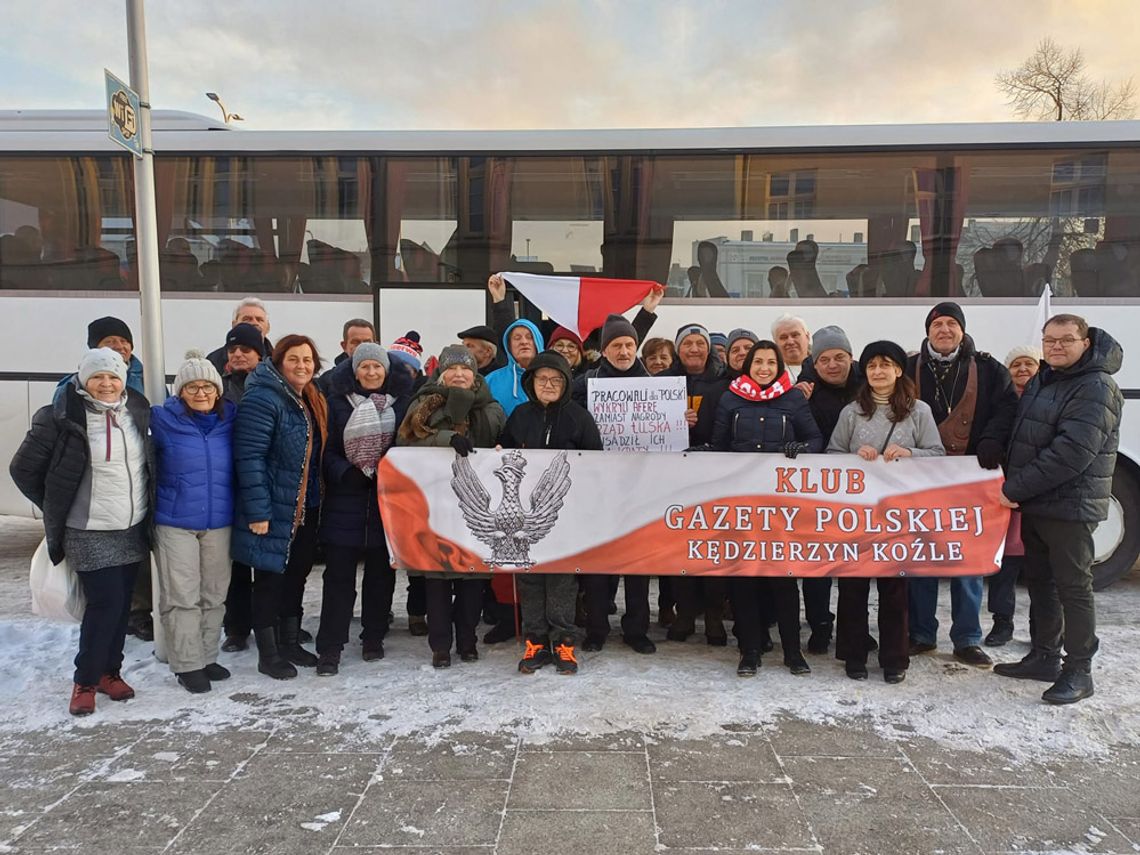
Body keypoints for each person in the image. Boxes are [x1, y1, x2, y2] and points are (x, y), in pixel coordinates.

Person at [10, 348, 153, 716]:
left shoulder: (134, 410)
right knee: (104, 605)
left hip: (130, 526)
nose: (106, 384)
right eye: (98, 376)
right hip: (87, 530)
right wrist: (56, 505)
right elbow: (23, 469)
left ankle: (111, 672)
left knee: (122, 606)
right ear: (83, 379)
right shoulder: (59, 417)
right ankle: (85, 680)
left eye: (113, 377)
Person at [995, 315, 1123, 704]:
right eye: (1049, 340)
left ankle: (1079, 669)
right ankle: (1045, 655)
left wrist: (1014, 487)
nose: (1056, 346)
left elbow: (1071, 454)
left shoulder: (1096, 386)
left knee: (1073, 588)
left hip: (1071, 505)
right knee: (1042, 583)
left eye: (1066, 340)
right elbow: (1024, 432)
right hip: (1038, 503)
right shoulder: (1045, 378)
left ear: (1085, 343)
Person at [905, 302, 1017, 668]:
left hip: (969, 477)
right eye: (938, 324)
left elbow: (1006, 410)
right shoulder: (907, 367)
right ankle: (921, 634)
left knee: (965, 559)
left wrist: (991, 440)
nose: (945, 330)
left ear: (962, 331)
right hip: (917, 478)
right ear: (928, 331)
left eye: (952, 324)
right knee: (920, 557)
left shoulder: (989, 369)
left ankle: (967, 638)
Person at [828, 340, 945, 683]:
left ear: (898, 370)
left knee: (894, 588)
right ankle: (854, 656)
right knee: (853, 586)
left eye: (885, 364)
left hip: (899, 513)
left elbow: (937, 453)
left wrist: (910, 453)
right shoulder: (851, 412)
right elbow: (831, 453)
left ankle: (895, 658)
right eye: (872, 366)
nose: (878, 371)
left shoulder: (919, 411)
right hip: (857, 513)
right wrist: (853, 457)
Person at [710, 340, 823, 676]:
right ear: (748, 366)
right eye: (757, 362)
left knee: (783, 580)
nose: (763, 368)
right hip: (741, 503)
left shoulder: (792, 398)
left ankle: (792, 651)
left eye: (770, 363)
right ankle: (750, 650)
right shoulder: (731, 398)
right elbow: (719, 448)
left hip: (780, 505)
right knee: (744, 579)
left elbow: (816, 440)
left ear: (778, 367)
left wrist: (799, 447)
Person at [396, 345, 506, 667]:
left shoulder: (491, 407)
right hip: (436, 504)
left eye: (465, 369)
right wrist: (446, 439)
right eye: (452, 369)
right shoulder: (422, 404)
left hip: (476, 505)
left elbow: (501, 436)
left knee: (473, 579)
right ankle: (440, 646)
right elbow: (407, 441)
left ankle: (467, 641)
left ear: (475, 373)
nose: (459, 374)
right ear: (441, 373)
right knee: (438, 580)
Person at [231, 334, 328, 680]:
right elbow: (250, 456)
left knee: (297, 576)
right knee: (270, 579)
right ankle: (268, 652)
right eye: (294, 359)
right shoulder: (263, 399)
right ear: (277, 362)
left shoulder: (309, 398)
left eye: (307, 360)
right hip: (273, 507)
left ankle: (290, 640)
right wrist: (258, 512)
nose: (302, 366)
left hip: (305, 506)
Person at [315, 343, 413, 675]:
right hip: (346, 501)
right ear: (354, 371)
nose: (371, 373)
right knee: (338, 578)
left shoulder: (402, 405)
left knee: (380, 578)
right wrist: (347, 473)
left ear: (386, 371)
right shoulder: (336, 404)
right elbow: (324, 452)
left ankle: (373, 636)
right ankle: (330, 646)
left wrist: (391, 469)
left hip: (387, 503)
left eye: (377, 367)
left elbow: (409, 446)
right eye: (365, 367)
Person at [502, 350, 602, 674]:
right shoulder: (518, 416)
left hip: (565, 514)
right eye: (542, 378)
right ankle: (536, 642)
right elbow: (500, 453)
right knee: (529, 578)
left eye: (556, 379)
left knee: (562, 579)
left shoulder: (579, 417)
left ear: (566, 382)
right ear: (531, 382)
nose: (548, 384)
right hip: (523, 515)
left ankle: (563, 642)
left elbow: (596, 462)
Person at [54, 318, 150, 640]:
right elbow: (37, 462)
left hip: (134, 508)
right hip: (91, 521)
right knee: (105, 601)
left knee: (125, 590)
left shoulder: (148, 378)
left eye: (124, 341)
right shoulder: (69, 390)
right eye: (110, 341)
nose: (119, 347)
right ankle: (89, 676)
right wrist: (57, 498)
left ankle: (118, 654)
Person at [570, 314, 657, 655]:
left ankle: (637, 629)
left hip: (639, 487)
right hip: (598, 486)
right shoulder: (584, 384)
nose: (623, 351)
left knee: (638, 564)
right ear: (604, 351)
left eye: (629, 345)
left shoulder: (655, 385)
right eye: (616, 345)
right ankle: (596, 628)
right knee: (597, 564)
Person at [150, 351, 236, 693]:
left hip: (220, 519)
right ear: (179, 392)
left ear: (218, 390)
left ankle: (207, 656)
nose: (201, 393)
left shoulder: (231, 419)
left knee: (214, 593)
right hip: (175, 521)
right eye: (192, 387)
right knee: (182, 595)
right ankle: (187, 664)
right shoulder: (162, 419)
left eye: (207, 387)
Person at [799, 325, 863, 654]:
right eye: (824, 359)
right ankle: (820, 624)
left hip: (862, 491)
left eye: (839, 357)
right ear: (815, 362)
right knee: (816, 564)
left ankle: (857, 627)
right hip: (817, 490)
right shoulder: (806, 394)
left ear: (851, 358)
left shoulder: (869, 387)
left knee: (859, 562)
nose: (832, 364)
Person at [667, 323, 729, 644]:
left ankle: (715, 617)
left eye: (699, 343)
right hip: (675, 477)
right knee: (681, 547)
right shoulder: (662, 381)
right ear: (678, 349)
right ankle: (686, 614)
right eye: (687, 343)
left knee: (714, 547)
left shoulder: (726, 381)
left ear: (709, 347)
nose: (694, 348)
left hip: (714, 474)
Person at [984, 344, 1042, 647]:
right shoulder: (1003, 403)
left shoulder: (1047, 399)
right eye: (1016, 364)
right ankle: (1002, 622)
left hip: (1037, 495)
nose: (1022, 370)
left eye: (1028, 364)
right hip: (1005, 494)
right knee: (1004, 565)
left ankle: (1040, 628)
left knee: (1039, 568)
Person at [218, 322, 265, 653]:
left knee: (265, 562)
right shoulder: (218, 390)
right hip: (228, 486)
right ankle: (236, 628)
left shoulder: (270, 388)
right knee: (236, 565)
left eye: (245, 350)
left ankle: (269, 622)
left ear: (260, 356)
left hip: (263, 485)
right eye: (233, 350)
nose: (238, 355)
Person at [206, 297, 273, 374]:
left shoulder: (278, 359)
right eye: (247, 319)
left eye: (259, 319)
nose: (254, 323)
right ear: (234, 325)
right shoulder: (214, 360)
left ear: (268, 327)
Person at [771, 314, 812, 381]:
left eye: (795, 335)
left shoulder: (822, 367)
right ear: (776, 343)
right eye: (783, 337)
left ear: (807, 337)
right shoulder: (771, 373)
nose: (790, 342)